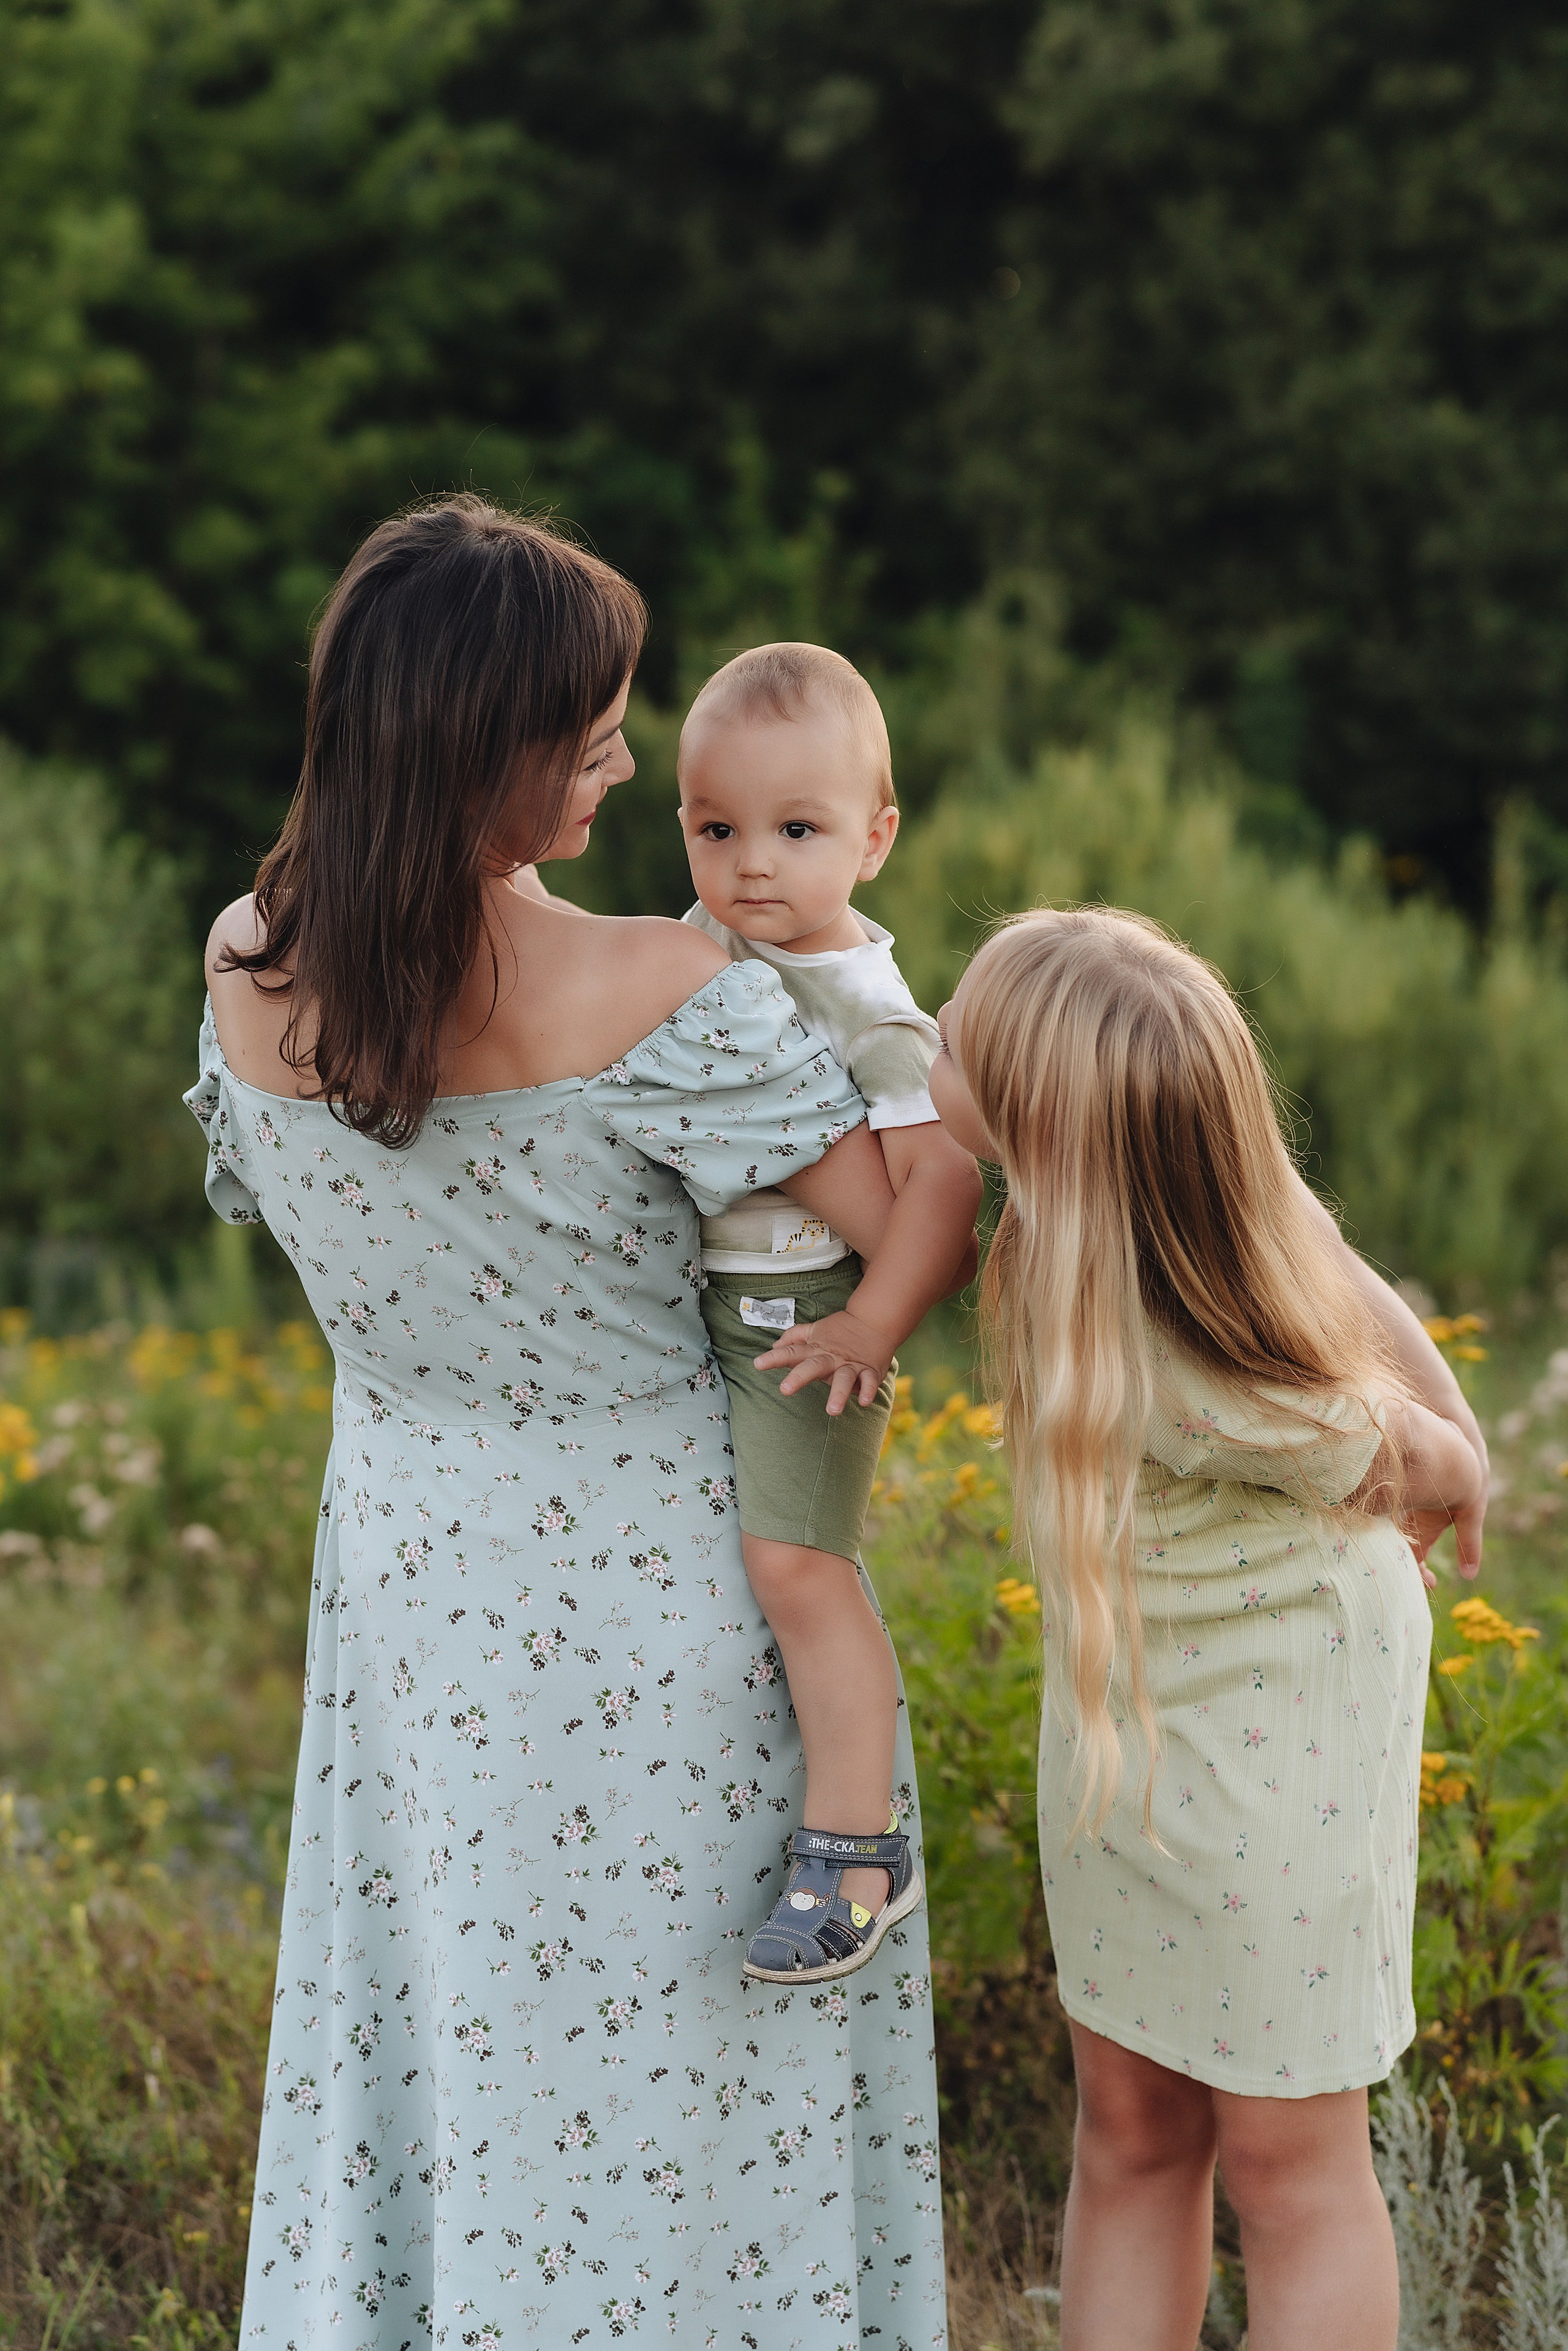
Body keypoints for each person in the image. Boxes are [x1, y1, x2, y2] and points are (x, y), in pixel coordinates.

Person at [187, 496, 949, 2349]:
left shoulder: (248, 961)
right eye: (588, 727)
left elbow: (268, 1207)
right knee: (685, 2085)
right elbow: (909, 1226)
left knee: (449, 2044)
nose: (623, 752)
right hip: (657, 1606)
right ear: (481, 743)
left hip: (411, 1589)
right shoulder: (661, 990)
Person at [921, 906, 1488, 2351]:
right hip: (1133, 1726)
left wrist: (1455, 1463)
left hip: (1277, 1732)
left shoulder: (1207, 1373)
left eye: (957, 1037)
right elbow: (1317, 1263)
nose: (932, 1037)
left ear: (1044, 1131)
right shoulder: (1090, 1230)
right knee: (1128, 2122)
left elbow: (1435, 1456)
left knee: (1288, 2165)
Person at [673, 643, 982, 1983]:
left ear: (874, 838)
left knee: (803, 1567)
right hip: (704, 1297)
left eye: (795, 830)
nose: (751, 864)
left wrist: (874, 1326)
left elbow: (940, 1184)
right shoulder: (689, 945)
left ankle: (855, 1846)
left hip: (802, 1314)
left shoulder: (866, 1004)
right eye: (715, 827)